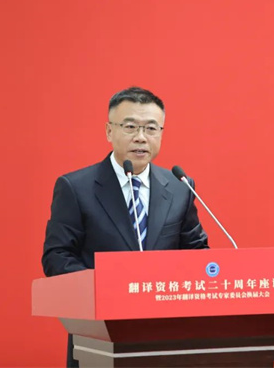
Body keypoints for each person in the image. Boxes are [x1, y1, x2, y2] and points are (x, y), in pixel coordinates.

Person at [41, 87, 209, 367]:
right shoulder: (76, 188)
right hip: (100, 336)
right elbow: (56, 257)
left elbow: (196, 251)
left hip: (167, 335)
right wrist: (107, 287)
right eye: (130, 127)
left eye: (151, 128)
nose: (141, 137)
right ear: (109, 131)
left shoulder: (180, 188)